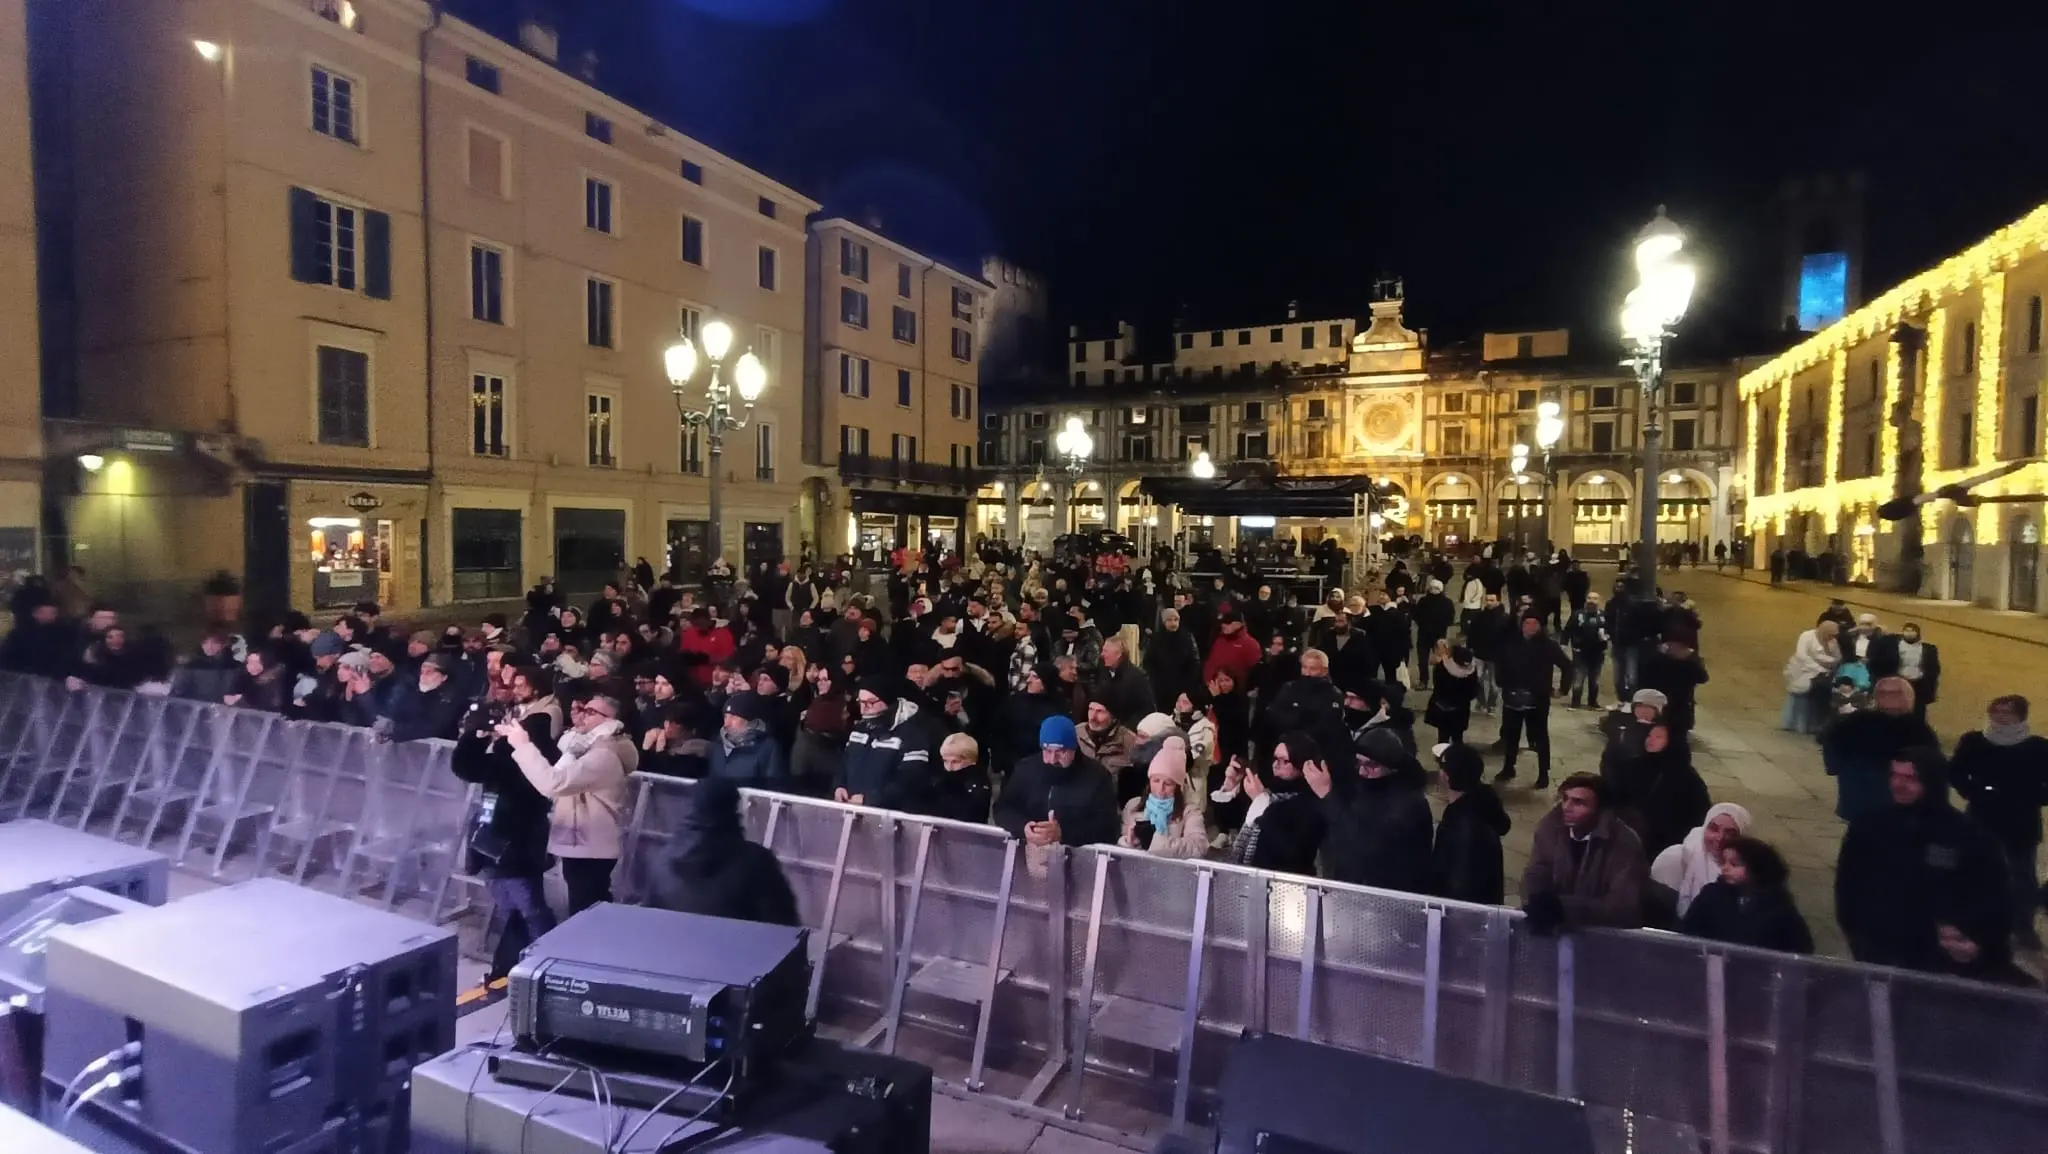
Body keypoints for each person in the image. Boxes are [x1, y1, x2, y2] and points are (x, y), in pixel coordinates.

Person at [1836, 747, 2013, 978]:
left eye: (1910, 778)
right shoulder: (1869, 826)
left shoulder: (1968, 836)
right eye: (1894, 775)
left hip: (1938, 961)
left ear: (1932, 782)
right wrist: (1857, 936)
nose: (1898, 784)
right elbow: (1848, 885)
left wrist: (1972, 936)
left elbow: (1993, 896)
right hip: (1878, 950)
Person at [451, 675, 561, 979]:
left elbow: (473, 768)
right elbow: (467, 767)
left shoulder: (531, 760)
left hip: (516, 845)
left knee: (530, 908)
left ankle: (550, 961)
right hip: (492, 841)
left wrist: (485, 741)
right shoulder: (505, 759)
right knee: (511, 907)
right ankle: (517, 959)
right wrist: (475, 735)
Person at [499, 692, 636, 916]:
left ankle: (590, 951)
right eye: (583, 710)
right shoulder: (585, 749)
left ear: (611, 720)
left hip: (590, 847)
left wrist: (523, 746)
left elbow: (552, 783)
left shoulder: (603, 755)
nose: (582, 716)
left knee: (587, 913)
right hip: (581, 843)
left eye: (591, 712)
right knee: (584, 910)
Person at [1948, 695, 2048, 949]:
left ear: (2021, 716)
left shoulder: (2038, 747)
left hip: (2020, 821)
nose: (2002, 716)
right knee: (1972, 871)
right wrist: (1975, 792)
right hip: (1982, 817)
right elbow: (1956, 772)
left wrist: (2029, 796)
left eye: (2009, 712)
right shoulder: (1974, 741)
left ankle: (2022, 927)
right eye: (1997, 711)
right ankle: (1969, 921)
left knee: (2021, 877)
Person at [647, 777, 800, 926]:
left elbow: (649, 920)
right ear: (732, 811)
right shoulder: (757, 863)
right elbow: (782, 925)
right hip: (737, 950)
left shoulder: (662, 859)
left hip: (673, 948)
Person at [1520, 773, 1649, 932]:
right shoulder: (1551, 826)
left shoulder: (1624, 843)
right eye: (1565, 798)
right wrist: (1536, 901)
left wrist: (1563, 908)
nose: (1566, 807)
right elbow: (1536, 871)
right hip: (1554, 930)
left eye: (1578, 802)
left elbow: (1623, 907)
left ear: (1600, 810)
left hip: (1602, 936)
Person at [1822, 677, 1938, 824]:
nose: (1889, 698)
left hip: (1862, 804)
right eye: (1884, 694)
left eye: (1895, 694)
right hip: (1883, 806)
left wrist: (1835, 768)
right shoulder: (1918, 729)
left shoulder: (1917, 729)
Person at [993, 715, 1121, 848]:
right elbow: (1002, 808)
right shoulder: (1026, 769)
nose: (1053, 759)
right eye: (1047, 751)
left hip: (1079, 859)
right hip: (1031, 853)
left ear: (1074, 749)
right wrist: (1023, 827)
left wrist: (1063, 833)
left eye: (1061, 752)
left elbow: (1109, 828)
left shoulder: (1097, 776)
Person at [1214, 734, 1327, 876]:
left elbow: (1291, 853)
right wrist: (1230, 787)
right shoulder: (1268, 794)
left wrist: (1263, 805)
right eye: (1275, 759)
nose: (1275, 765)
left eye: (1284, 761)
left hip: (1287, 887)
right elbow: (1232, 823)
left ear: (1303, 765)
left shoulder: (1312, 804)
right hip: (1252, 880)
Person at [1680, 837, 1814, 954]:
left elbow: (1800, 948)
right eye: (1724, 862)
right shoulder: (1711, 895)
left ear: (1757, 868)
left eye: (1734, 864)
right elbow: (1689, 931)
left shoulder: (1779, 908)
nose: (1725, 868)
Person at [836, 676, 940, 811]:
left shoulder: (912, 734)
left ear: (887, 701)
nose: (863, 709)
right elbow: (844, 763)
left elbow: (910, 781)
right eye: (860, 702)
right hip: (851, 810)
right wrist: (839, 785)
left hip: (888, 816)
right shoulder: (859, 730)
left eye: (870, 702)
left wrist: (870, 799)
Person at [1493, 612, 1572, 789]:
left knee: (1540, 736)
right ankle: (1508, 767)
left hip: (1538, 698)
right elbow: (1500, 663)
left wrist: (1563, 689)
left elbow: (1567, 665)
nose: (1529, 627)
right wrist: (1503, 683)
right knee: (1511, 734)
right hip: (1513, 696)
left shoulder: (1548, 646)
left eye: (1534, 623)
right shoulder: (1511, 643)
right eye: (1526, 623)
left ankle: (1543, 773)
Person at [1431, 742, 1511, 905]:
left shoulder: (1463, 826)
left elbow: (1459, 885)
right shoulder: (1484, 802)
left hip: (1462, 916)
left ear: (1445, 777)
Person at [1649, 802, 1752, 922]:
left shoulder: (1750, 871)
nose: (1720, 838)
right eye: (1713, 829)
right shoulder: (1675, 858)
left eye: (1731, 834)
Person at [1118, 747, 1209, 858]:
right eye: (1156, 781)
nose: (1160, 788)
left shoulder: (1189, 811)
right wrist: (1129, 842)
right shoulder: (1133, 806)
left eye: (1168, 783)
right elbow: (1118, 843)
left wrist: (1157, 842)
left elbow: (1199, 847)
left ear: (1177, 786)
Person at [707, 690, 790, 788]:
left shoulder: (767, 747)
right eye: (725, 717)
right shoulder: (717, 745)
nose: (726, 724)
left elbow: (774, 787)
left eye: (733, 717)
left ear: (749, 720)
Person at [1866, 622, 1941, 724]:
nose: (1909, 633)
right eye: (1907, 631)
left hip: (1919, 683)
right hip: (1899, 682)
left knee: (1918, 711)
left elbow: (1934, 668)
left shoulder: (1928, 648)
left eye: (1912, 631)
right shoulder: (1893, 646)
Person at [1781, 620, 1841, 735]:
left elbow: (1837, 658)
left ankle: (1812, 724)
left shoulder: (1833, 642)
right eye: (1830, 635)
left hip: (1822, 675)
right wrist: (1820, 667)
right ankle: (1795, 723)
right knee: (1800, 695)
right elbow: (1801, 655)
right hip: (1802, 670)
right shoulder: (1807, 636)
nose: (1832, 638)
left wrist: (1828, 664)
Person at [925, 732, 993, 824]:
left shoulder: (978, 785)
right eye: (945, 761)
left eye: (955, 762)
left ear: (971, 760)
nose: (949, 767)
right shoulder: (937, 780)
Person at [1564, 593, 1608, 710]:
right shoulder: (1578, 614)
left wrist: (1607, 638)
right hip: (1580, 652)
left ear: (1599, 601)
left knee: (1595, 679)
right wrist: (1564, 644)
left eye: (1595, 598)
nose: (1591, 601)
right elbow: (1568, 629)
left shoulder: (1604, 616)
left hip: (1598, 652)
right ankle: (1575, 702)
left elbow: (1611, 630)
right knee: (1578, 678)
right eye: (1589, 598)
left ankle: (1592, 702)